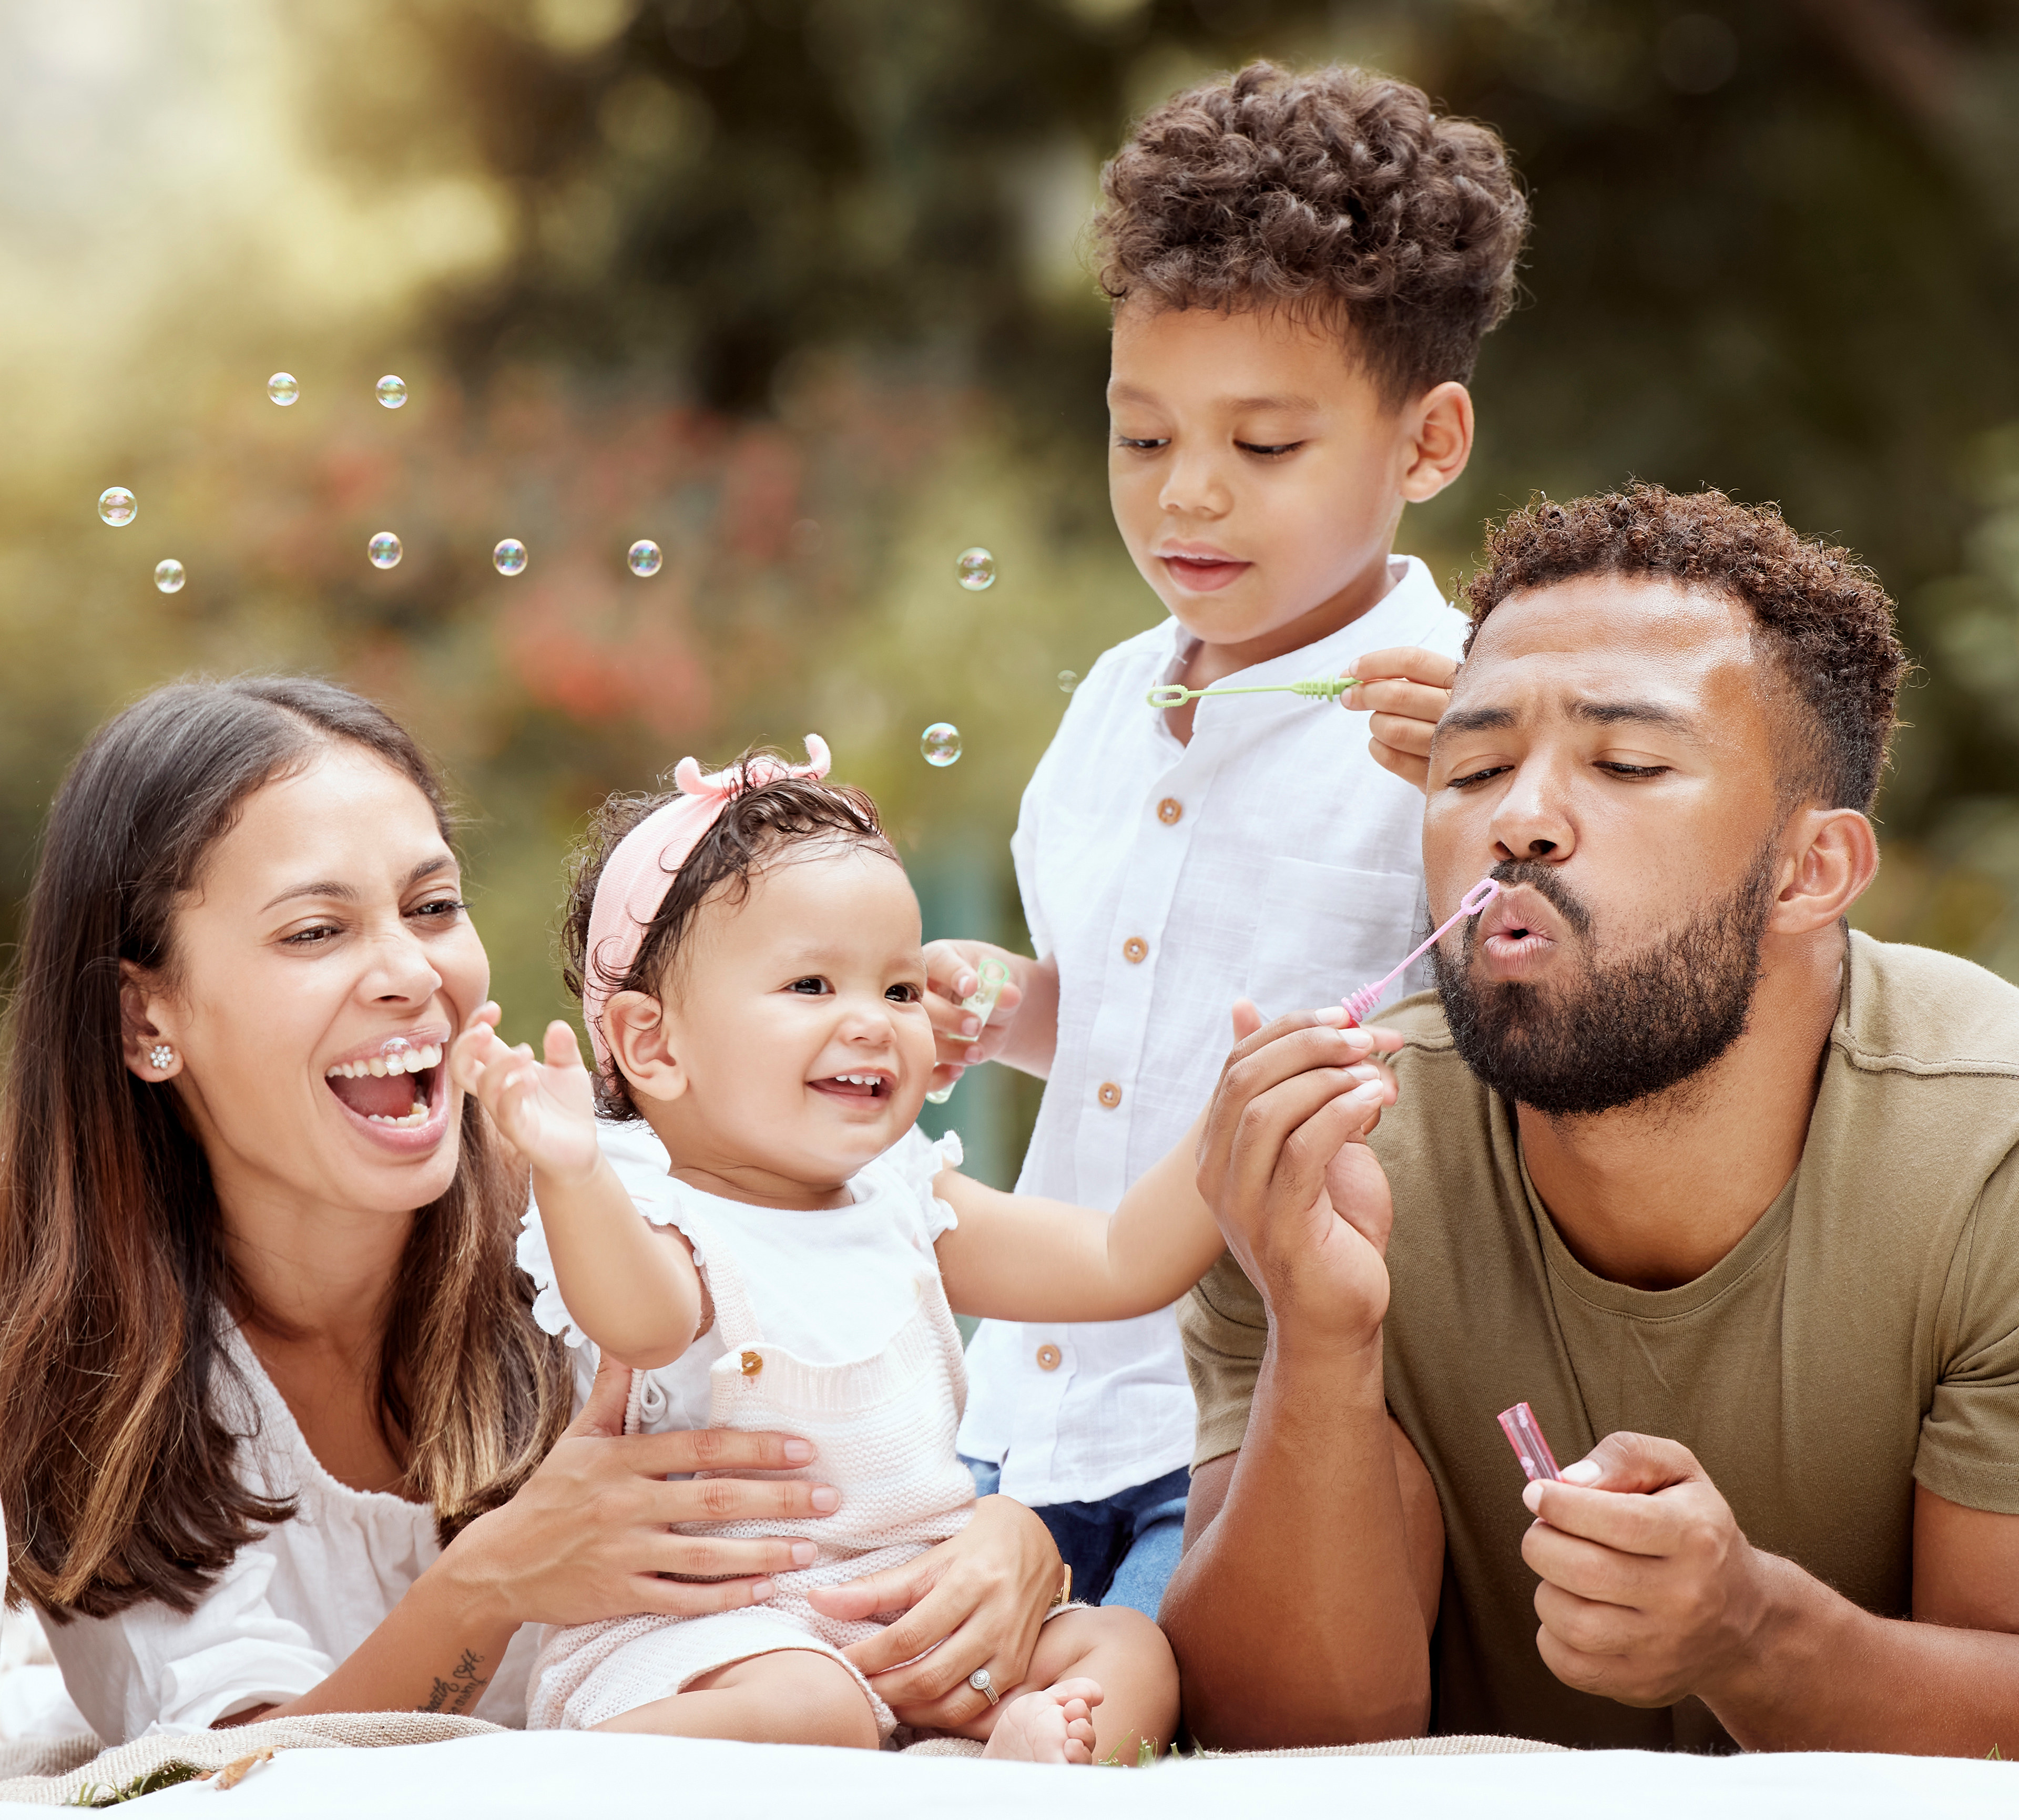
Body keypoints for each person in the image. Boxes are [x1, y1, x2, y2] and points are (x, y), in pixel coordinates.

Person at [0, 677, 1068, 1744]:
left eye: (431, 908)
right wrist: (490, 1585)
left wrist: (1007, 1536)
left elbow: (862, 1467)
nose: (412, 973)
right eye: (318, 930)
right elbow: (243, 1772)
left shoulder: (608, 1224)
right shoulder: (98, 1382)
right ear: (148, 1020)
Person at [1165, 485, 2019, 1756]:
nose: (1518, 820)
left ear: (1813, 870)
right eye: (1473, 768)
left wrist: (1752, 1630)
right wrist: (1321, 1331)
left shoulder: (1984, 1159)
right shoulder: (1331, 1161)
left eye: (1625, 765)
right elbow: (1276, 1744)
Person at [921, 60, 1528, 1621]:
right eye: (1141, 438)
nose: (1187, 493)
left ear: (1429, 440)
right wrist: (1006, 1004)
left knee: (1164, 1694)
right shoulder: (1117, 701)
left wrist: (1497, 795)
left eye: (1265, 447)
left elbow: (1532, 1012)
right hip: (1024, 1411)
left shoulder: (1474, 722)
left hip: (1266, 1425)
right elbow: (1142, 1020)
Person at [455, 742, 1367, 1760]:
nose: (873, 1024)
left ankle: (1030, 1761)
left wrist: (1233, 1111)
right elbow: (643, 1319)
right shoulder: (653, 1211)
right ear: (654, 1044)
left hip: (917, 1629)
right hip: (712, 1640)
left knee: (1127, 1647)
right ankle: (589, 1772)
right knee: (815, 1709)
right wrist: (570, 1174)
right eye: (811, 985)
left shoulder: (904, 1197)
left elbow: (1117, 1259)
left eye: (896, 989)